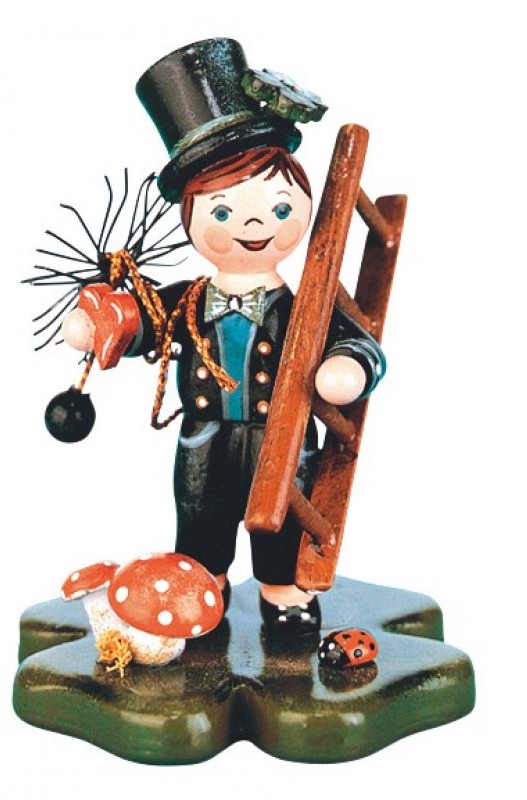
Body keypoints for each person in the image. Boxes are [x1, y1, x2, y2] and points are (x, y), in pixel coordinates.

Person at [61, 39, 386, 634]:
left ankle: (283, 588)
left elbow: (357, 341)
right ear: (189, 215)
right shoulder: (188, 299)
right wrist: (103, 322)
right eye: (222, 211)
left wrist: (348, 366)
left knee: (283, 513)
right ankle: (202, 583)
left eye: (278, 208)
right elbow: (145, 320)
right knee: (200, 510)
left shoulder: (305, 308)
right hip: (205, 434)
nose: (254, 223)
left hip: (281, 435)